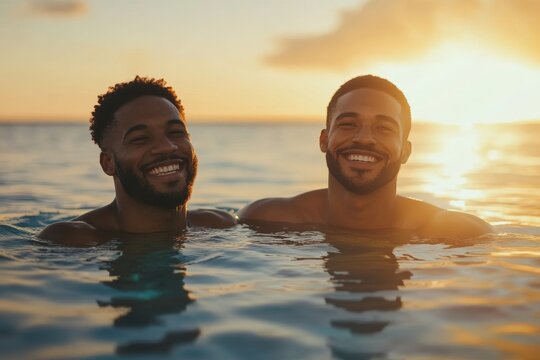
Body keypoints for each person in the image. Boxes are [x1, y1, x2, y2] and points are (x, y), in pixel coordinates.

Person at [238, 75, 492, 239]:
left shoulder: (455, 232)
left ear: (405, 151)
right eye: (348, 124)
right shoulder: (264, 219)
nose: (364, 138)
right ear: (324, 140)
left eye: (384, 128)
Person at [39, 76, 236, 243]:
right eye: (141, 139)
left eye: (176, 132)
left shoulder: (222, 226)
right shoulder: (73, 239)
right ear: (108, 163)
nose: (167, 146)